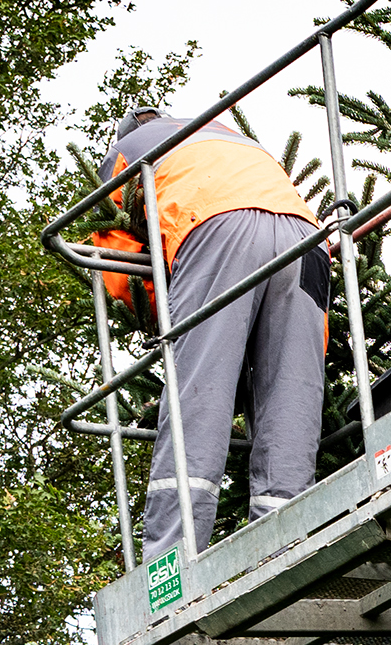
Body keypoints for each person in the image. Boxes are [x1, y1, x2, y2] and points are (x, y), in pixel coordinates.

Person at [90, 106, 329, 561]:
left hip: (216, 225)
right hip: (310, 240)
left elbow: (116, 259)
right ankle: (287, 546)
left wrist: (164, 316)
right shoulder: (227, 134)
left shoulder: (126, 151)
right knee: (292, 394)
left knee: (198, 395)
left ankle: (170, 562)